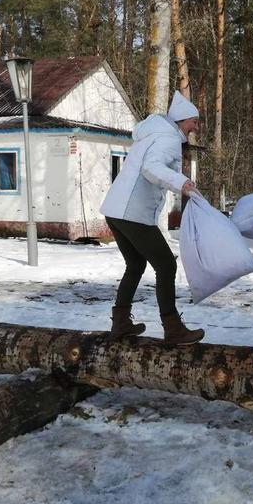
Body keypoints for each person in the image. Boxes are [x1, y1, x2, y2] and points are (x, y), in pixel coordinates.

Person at [100, 91, 205, 346]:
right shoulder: (167, 138)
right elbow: (151, 168)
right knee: (166, 265)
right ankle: (173, 329)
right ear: (181, 120)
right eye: (193, 120)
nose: (195, 126)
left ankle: (121, 322)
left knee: (136, 265)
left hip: (117, 211)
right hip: (132, 214)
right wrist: (182, 182)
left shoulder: (154, 134)